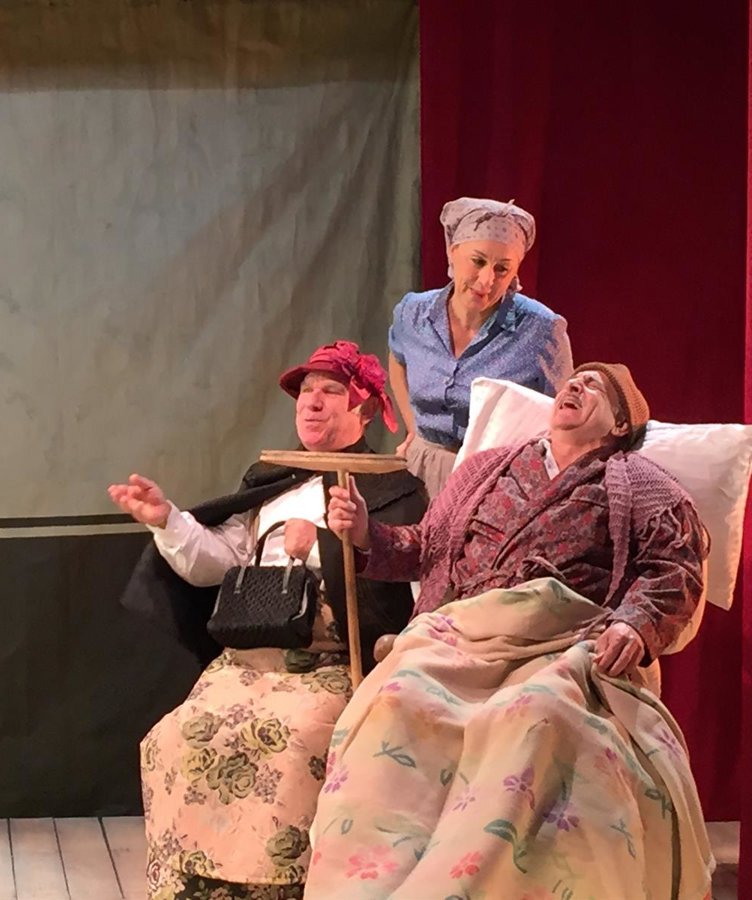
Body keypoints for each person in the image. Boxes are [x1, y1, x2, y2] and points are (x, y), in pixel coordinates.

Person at [305, 362, 714, 899]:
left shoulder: (641, 484)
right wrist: (366, 533)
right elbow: (426, 549)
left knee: (539, 715)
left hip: (559, 645)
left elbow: (674, 569)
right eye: (574, 379)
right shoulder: (485, 470)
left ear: (619, 424)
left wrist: (634, 625)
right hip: (461, 637)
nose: (575, 385)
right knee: (397, 697)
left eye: (594, 386)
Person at [112, 341, 426, 900]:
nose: (312, 402)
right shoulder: (273, 478)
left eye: (331, 392)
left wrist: (322, 546)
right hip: (251, 657)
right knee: (175, 738)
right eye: (305, 392)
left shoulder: (392, 487)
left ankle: (277, 890)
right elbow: (218, 563)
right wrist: (168, 521)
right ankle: (198, 888)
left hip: (330, 662)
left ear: (363, 409)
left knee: (292, 742)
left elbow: (399, 587)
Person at [389, 197, 573, 499]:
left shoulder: (540, 329)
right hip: (419, 470)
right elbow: (397, 359)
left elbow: (561, 418)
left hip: (494, 483)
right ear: (453, 252)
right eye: (478, 261)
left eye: (502, 269)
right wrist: (414, 428)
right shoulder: (413, 313)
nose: (487, 280)